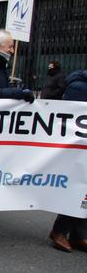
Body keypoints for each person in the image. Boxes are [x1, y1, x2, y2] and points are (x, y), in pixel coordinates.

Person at [48, 69, 87, 252]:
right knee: (78, 189)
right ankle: (59, 231)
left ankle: (79, 234)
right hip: (80, 146)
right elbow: (74, 118)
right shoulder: (79, 87)